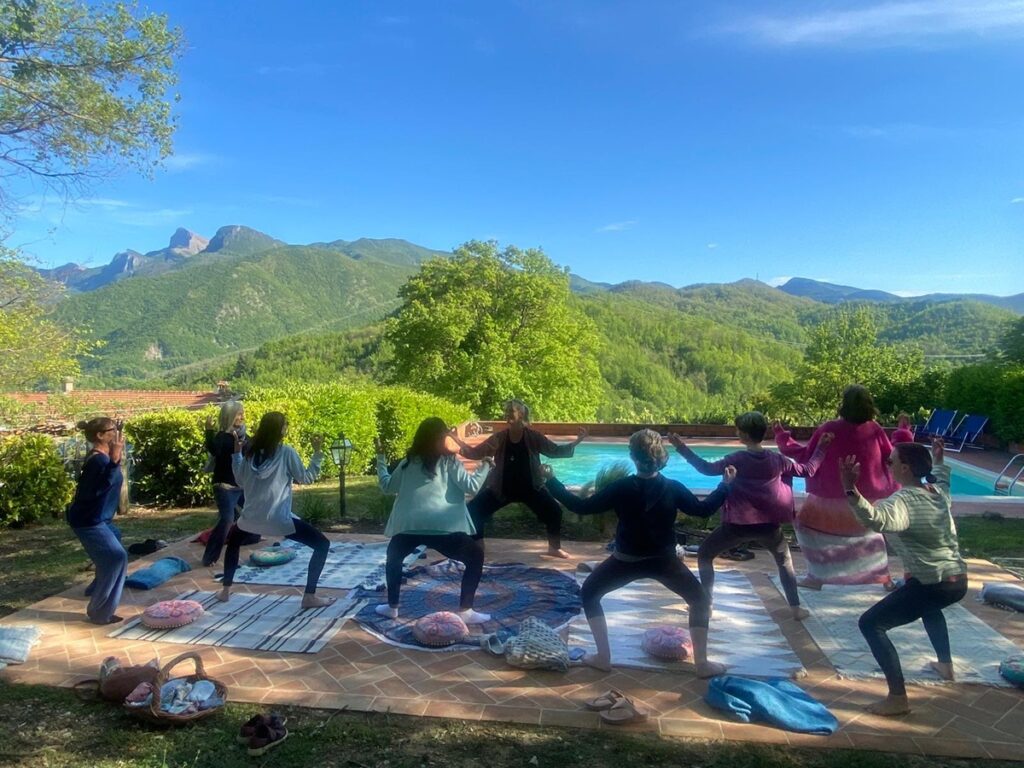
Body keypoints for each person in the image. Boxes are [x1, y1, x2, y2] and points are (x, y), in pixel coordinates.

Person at [545, 429, 735, 677]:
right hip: (665, 562)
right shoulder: (672, 487)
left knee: (590, 593)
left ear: (633, 457)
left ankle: (603, 658)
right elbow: (703, 510)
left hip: (626, 560)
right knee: (699, 601)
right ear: (659, 456)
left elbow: (581, 505)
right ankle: (702, 664)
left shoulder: (621, 487)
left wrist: (551, 481)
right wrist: (724, 486)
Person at [840, 438, 966, 716]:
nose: (888, 465)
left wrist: (850, 487)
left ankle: (898, 698)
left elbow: (877, 520)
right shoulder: (936, 492)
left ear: (905, 469)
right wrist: (939, 460)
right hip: (957, 581)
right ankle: (945, 664)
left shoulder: (903, 501)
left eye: (891, 461)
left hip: (934, 584)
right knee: (928, 607)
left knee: (871, 624)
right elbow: (944, 480)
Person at [670, 412, 834, 620]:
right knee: (784, 562)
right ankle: (795, 609)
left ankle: (707, 604)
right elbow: (809, 470)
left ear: (744, 435)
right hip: (769, 527)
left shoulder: (736, 459)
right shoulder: (778, 460)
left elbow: (706, 468)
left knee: (704, 555)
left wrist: (680, 447)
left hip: (737, 526)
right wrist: (822, 447)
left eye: (738, 429)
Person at [774, 385, 897, 589]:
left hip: (829, 494)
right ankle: (884, 578)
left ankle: (817, 576)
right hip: (865, 495)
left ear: (844, 404)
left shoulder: (829, 428)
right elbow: (890, 456)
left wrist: (781, 436)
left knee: (806, 527)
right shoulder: (874, 428)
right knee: (869, 534)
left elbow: (805, 456)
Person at [374, 417, 494, 624]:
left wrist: (381, 458)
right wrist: (485, 465)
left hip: (409, 528)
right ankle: (466, 610)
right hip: (444, 528)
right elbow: (472, 487)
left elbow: (386, 486)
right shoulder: (449, 462)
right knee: (476, 557)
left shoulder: (408, 463)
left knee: (393, 557)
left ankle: (392, 607)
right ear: (441, 438)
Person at [217, 412, 334, 609]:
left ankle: (225, 591)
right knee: (322, 545)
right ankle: (309, 597)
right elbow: (306, 478)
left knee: (233, 542)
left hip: (250, 520)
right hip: (279, 520)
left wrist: (236, 454)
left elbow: (239, 481)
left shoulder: (250, 453)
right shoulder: (286, 452)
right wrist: (317, 454)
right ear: (281, 430)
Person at [451, 399, 587, 559]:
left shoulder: (533, 437)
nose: (507, 414)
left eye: (511, 411)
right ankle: (478, 545)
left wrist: (578, 441)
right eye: (506, 411)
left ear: (521, 414)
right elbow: (475, 453)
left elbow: (554, 450)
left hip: (531, 488)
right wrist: (456, 439)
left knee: (554, 511)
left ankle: (554, 548)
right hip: (502, 489)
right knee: (473, 509)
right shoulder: (499, 438)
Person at [66, 417, 128, 624]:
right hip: (89, 521)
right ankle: (99, 612)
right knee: (116, 558)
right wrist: (115, 460)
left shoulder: (104, 458)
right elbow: (97, 490)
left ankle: (96, 589)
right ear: (100, 436)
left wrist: (115, 458)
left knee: (114, 551)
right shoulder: (98, 461)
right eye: (113, 430)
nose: (117, 433)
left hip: (102, 520)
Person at [202, 400, 247, 566]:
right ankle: (209, 557)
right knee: (227, 520)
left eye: (242, 413)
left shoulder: (243, 435)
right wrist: (208, 430)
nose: (242, 416)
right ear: (229, 416)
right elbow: (214, 449)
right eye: (239, 413)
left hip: (241, 486)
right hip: (225, 487)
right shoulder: (222, 437)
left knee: (254, 510)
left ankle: (249, 538)